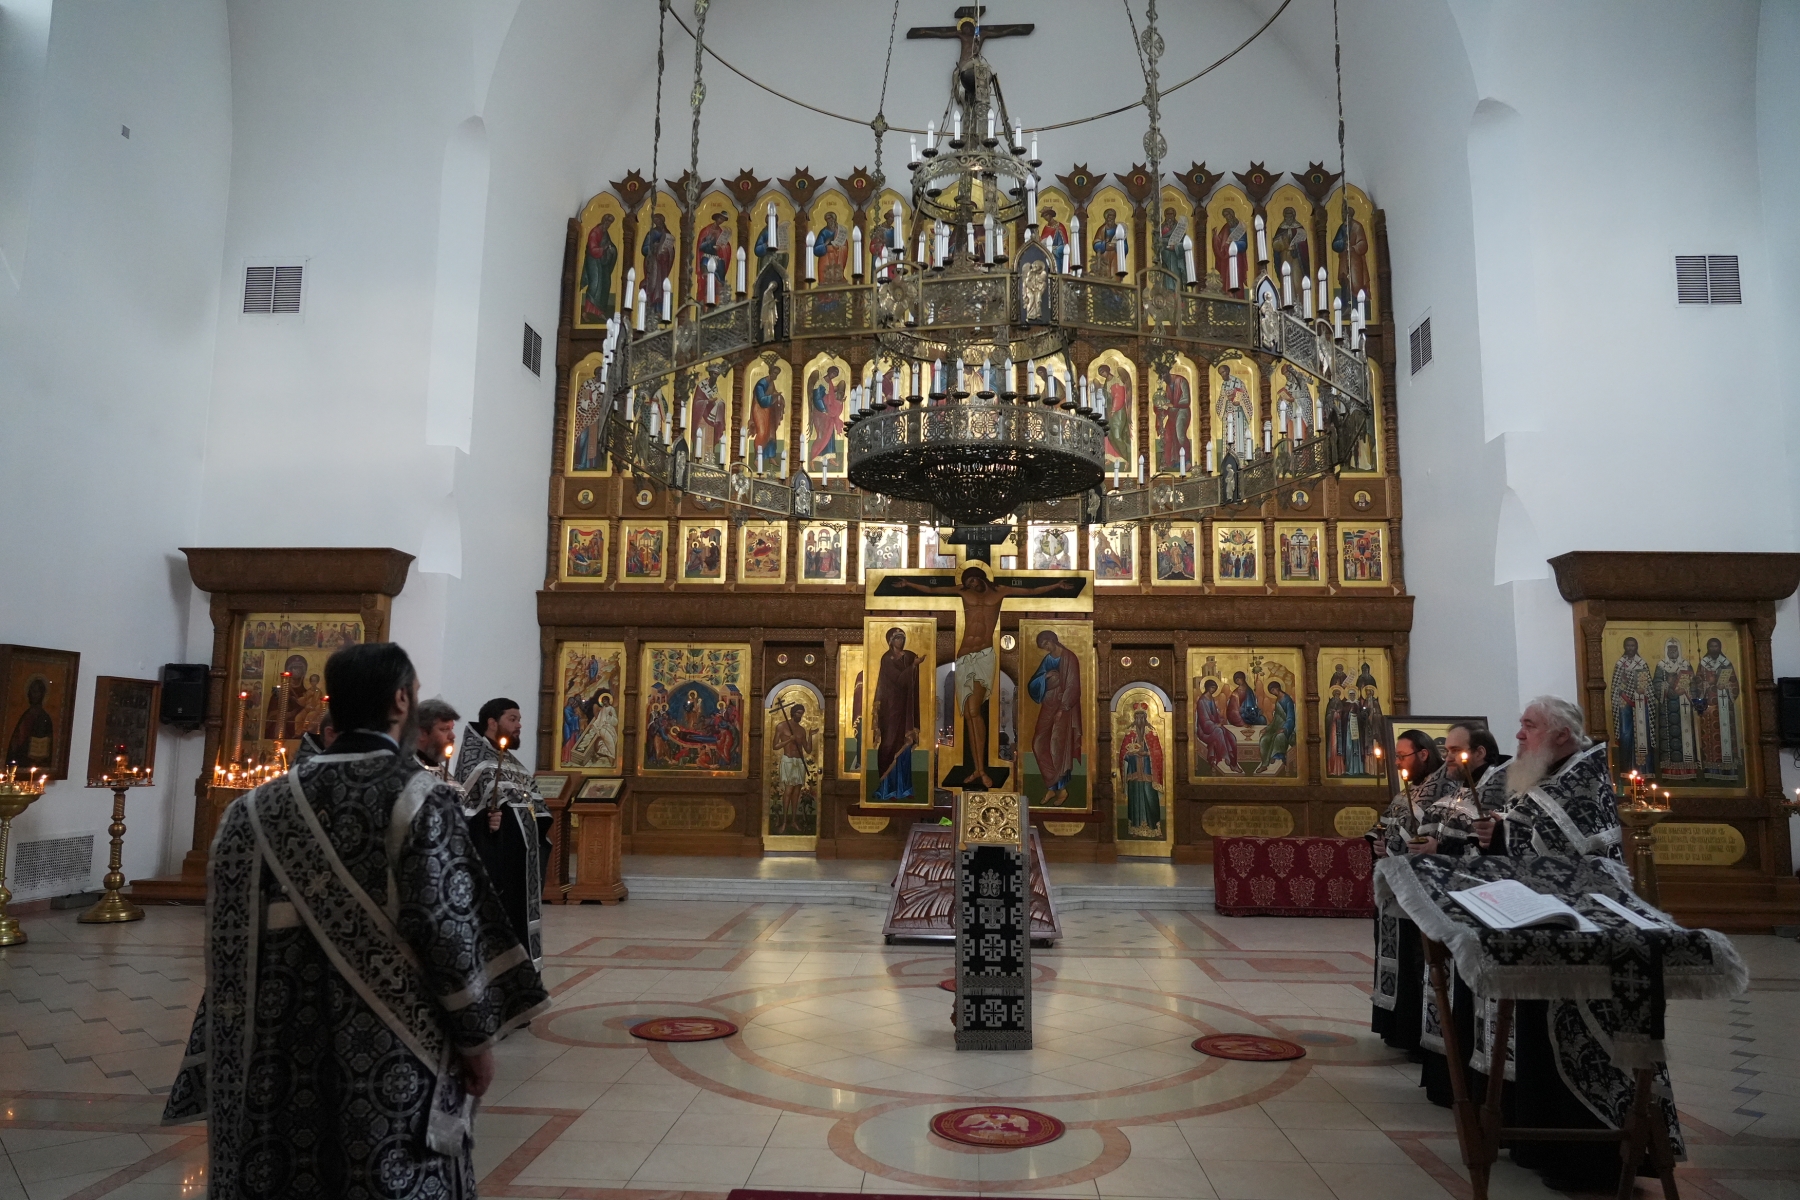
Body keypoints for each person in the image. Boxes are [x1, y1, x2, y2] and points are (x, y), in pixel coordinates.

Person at [162, 642, 547, 1198]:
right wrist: (476, 1041)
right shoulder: (418, 798)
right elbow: (447, 930)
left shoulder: (250, 810)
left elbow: (228, 948)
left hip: (271, 1058)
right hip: (391, 1051)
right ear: (401, 701)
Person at [1452, 697, 1669, 1192]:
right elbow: (1528, 839)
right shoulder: (1552, 777)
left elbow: (1567, 851)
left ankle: (1585, 1160)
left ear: (1562, 735)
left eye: (1529, 726)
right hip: (1545, 930)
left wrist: (1503, 832)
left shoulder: (1580, 781)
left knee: (1577, 1040)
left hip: (1584, 937)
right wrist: (1496, 833)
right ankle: (1542, 1146)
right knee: (1540, 1041)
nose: (1519, 735)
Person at [455, 697, 553, 965]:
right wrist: (489, 824)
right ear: (492, 722)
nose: (519, 725)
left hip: (521, 862)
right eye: (512, 719)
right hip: (498, 864)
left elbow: (538, 808)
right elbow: (466, 814)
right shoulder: (475, 761)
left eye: (519, 719)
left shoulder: (511, 762)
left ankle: (524, 967)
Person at [1027, 629, 1084, 805]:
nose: (1045, 648)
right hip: (1048, 704)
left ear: (1052, 640)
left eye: (1046, 644)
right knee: (1038, 743)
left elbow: (1073, 686)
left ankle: (1061, 790)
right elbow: (1033, 683)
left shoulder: (1070, 658)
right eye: (1042, 646)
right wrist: (1045, 676)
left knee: (1057, 746)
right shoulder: (1048, 660)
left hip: (1064, 708)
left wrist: (1063, 708)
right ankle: (1052, 785)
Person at [871, 628, 922, 801]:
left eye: (902, 638)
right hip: (890, 708)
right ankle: (887, 789)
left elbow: (911, 683)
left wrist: (913, 665)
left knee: (905, 745)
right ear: (890, 641)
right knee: (888, 744)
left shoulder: (909, 656)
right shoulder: (887, 659)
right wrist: (913, 666)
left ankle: (904, 789)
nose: (900, 641)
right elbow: (898, 679)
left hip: (906, 708)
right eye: (897, 638)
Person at [416, 697, 459, 774]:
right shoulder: (407, 772)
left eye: (451, 729)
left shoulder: (440, 770)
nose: (452, 736)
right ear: (422, 733)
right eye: (445, 729)